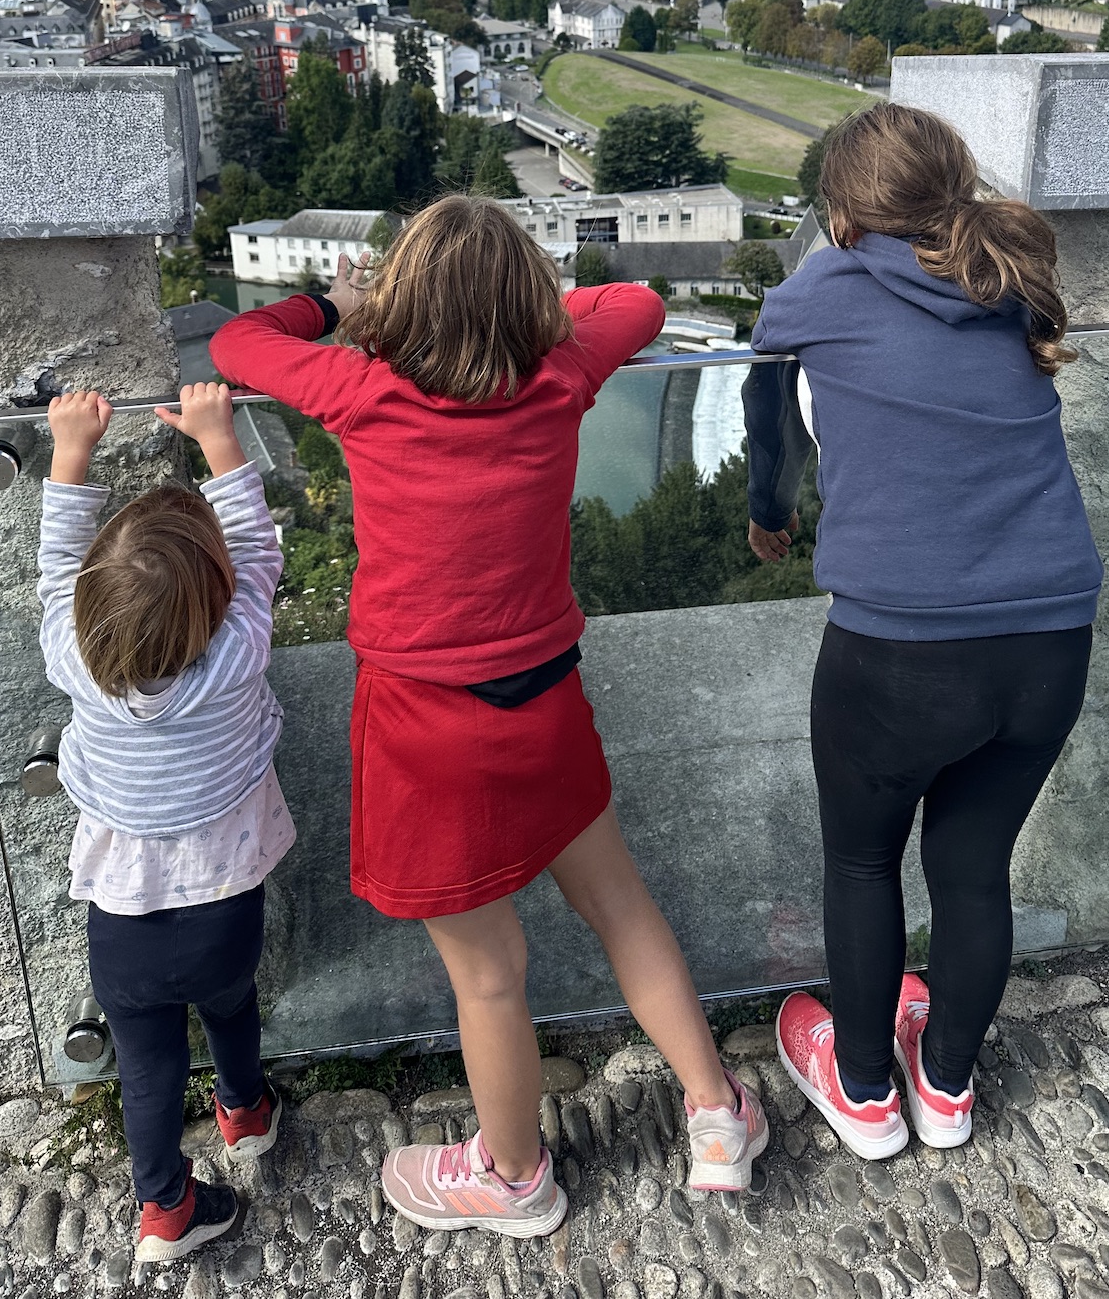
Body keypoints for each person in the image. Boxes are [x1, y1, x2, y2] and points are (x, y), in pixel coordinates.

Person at [209, 196, 765, 1237]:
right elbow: (638, 299)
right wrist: (543, 306)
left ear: (402, 300)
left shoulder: (361, 387)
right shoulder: (557, 374)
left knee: (487, 971)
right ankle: (716, 1110)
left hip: (424, 722)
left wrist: (336, 302)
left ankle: (515, 1174)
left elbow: (236, 340)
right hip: (544, 693)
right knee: (621, 906)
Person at [743, 104, 1102, 1159]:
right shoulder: (1008, 280)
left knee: (860, 864)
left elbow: (769, 407)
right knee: (973, 862)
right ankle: (943, 1087)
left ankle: (861, 1094)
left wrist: (770, 514)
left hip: (899, 649)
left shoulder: (828, 284)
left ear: (842, 210)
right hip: (1049, 638)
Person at [40, 382, 293, 1264]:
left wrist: (70, 452)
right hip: (226, 908)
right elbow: (261, 556)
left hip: (123, 925)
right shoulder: (237, 656)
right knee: (231, 1008)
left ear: (88, 607)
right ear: (218, 598)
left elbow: (53, 573)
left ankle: (165, 1209)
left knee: (145, 1071)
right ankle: (246, 1112)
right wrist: (222, 443)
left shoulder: (73, 659)